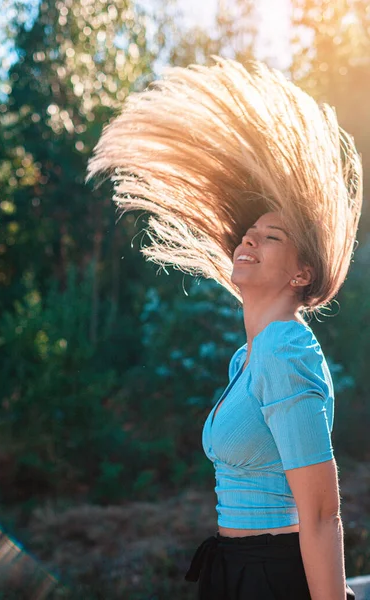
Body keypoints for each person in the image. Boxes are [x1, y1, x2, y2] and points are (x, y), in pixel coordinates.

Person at [86, 56, 362, 599]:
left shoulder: (285, 347)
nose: (250, 240)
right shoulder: (249, 358)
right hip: (233, 570)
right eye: (250, 232)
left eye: (273, 237)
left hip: (271, 576)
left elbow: (322, 512)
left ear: (302, 273)